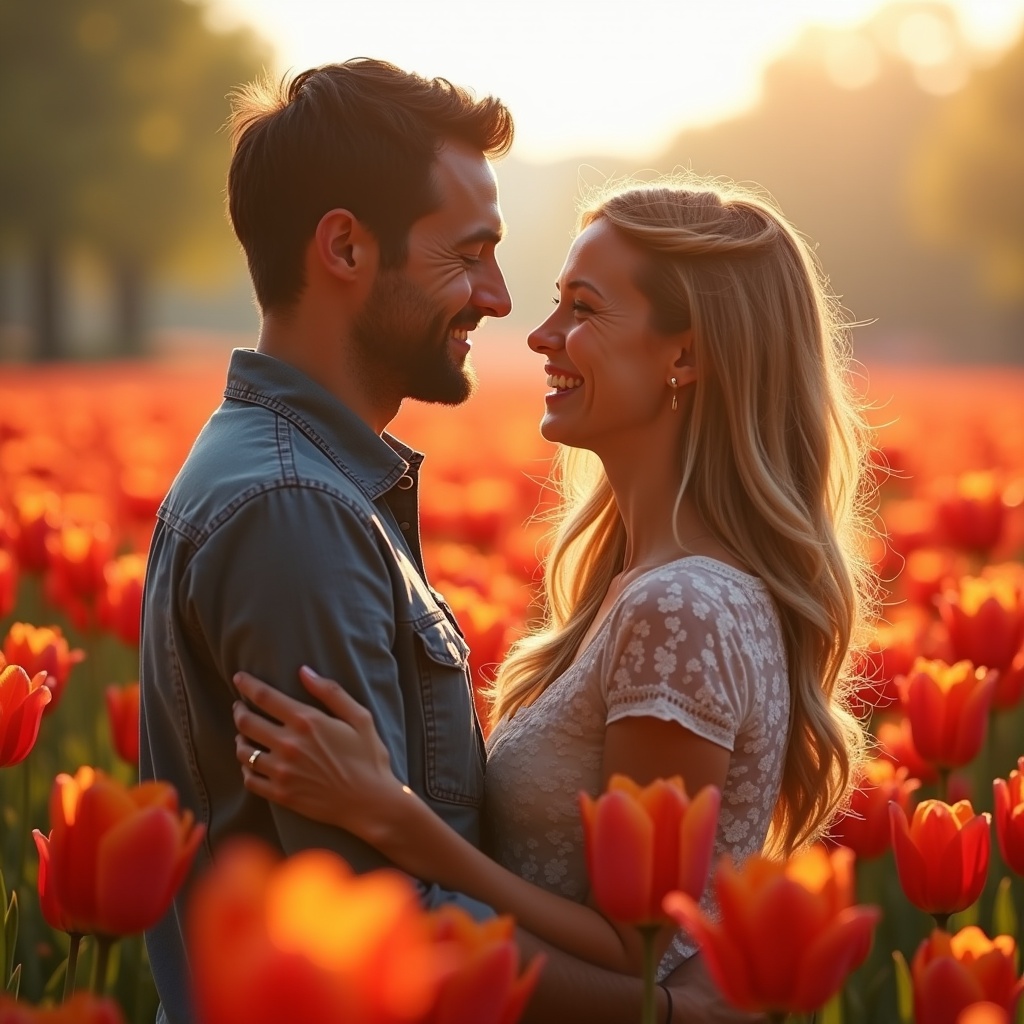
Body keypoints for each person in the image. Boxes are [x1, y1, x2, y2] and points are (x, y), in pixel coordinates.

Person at [138, 56, 737, 1024]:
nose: (499, 300)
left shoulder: (298, 480)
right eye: (468, 253)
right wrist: (665, 1015)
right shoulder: (297, 511)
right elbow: (388, 923)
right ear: (344, 249)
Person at [232, 177, 877, 1016]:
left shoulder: (681, 611)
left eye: (584, 308)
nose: (541, 335)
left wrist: (393, 819)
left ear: (685, 354)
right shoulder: (647, 587)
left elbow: (635, 950)